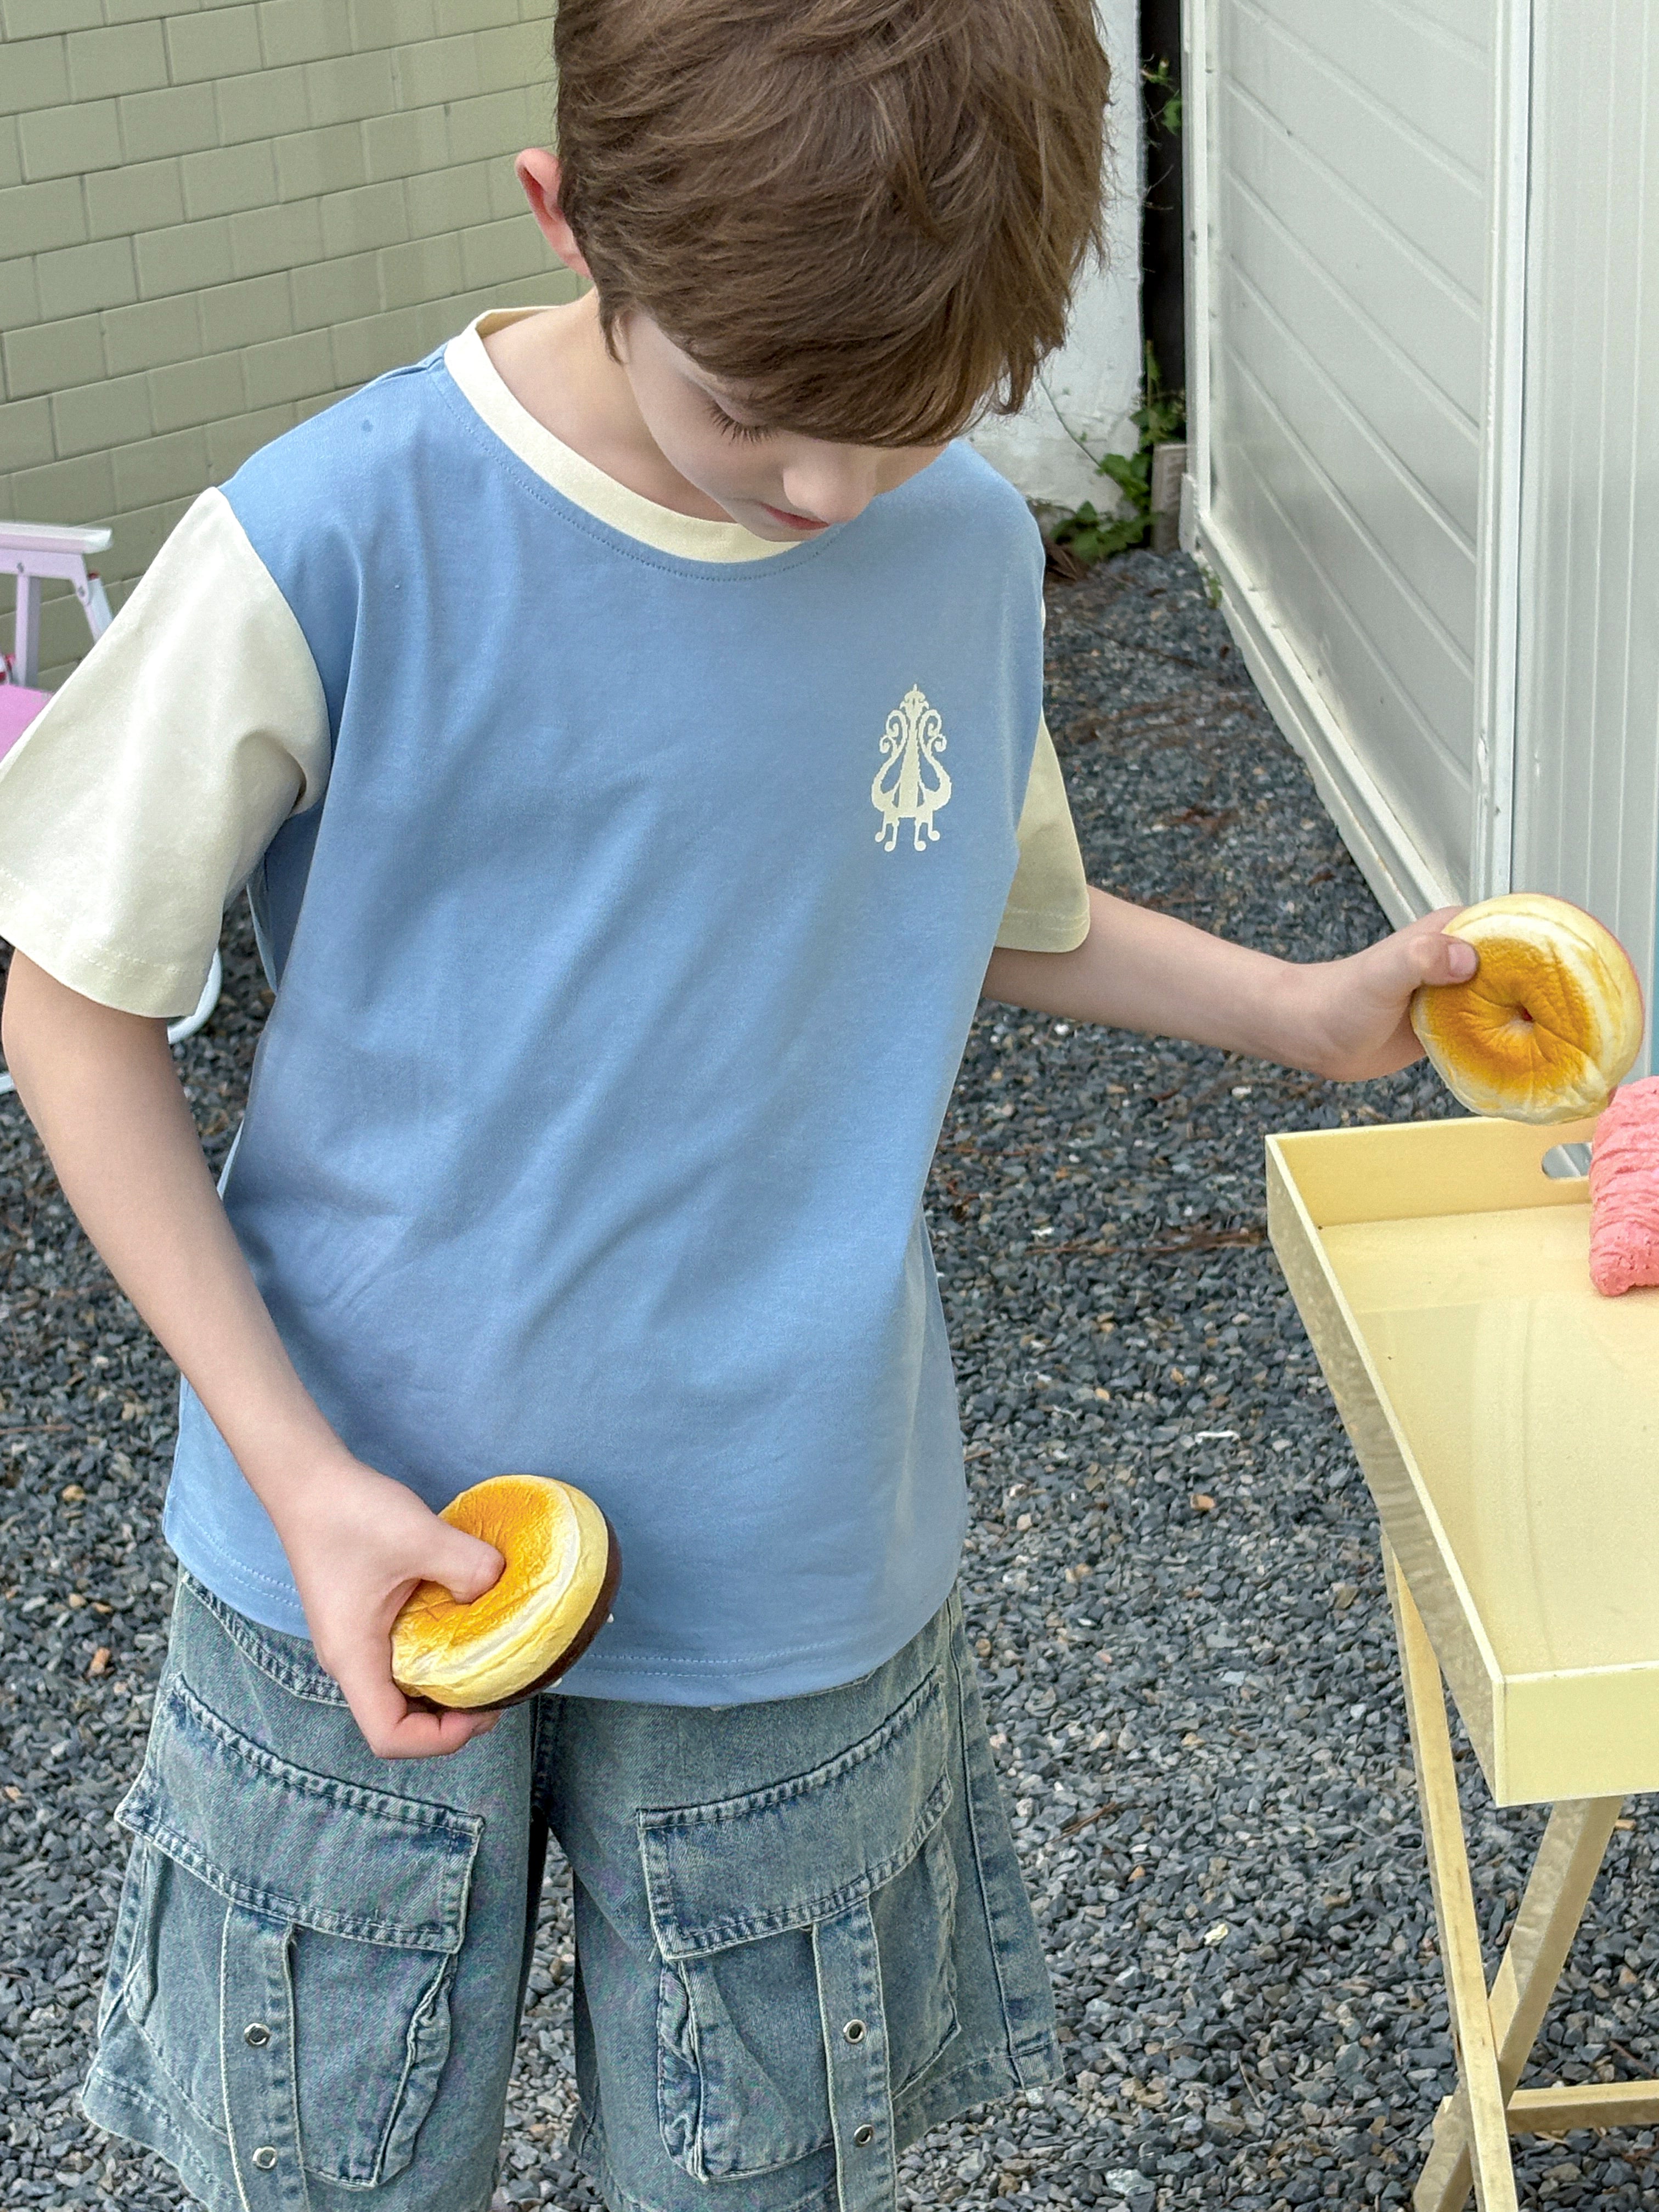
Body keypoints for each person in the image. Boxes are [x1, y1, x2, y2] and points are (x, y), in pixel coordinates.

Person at [0, 3, 1479, 2207]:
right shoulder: (330, 533)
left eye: (907, 431)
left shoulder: (959, 549)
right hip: (342, 1528)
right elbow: (71, 1004)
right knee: (315, 2164)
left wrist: (1303, 1008)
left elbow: (963, 886)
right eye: (763, 417)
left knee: (759, 2173)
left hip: (797, 1535)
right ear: (566, 213)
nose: (826, 498)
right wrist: (297, 1472)